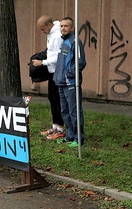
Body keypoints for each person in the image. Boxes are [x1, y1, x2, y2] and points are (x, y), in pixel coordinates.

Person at [53, 17, 87, 148]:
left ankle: (79, 139)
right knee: (64, 111)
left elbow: (81, 62)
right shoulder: (64, 42)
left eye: (66, 26)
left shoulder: (75, 41)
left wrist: (69, 74)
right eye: (61, 26)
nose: (63, 28)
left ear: (72, 28)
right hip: (61, 83)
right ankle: (70, 135)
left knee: (74, 111)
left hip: (71, 83)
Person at [32, 15, 65, 140]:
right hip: (52, 71)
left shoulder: (56, 36)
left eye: (42, 29)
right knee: (52, 97)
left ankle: (60, 128)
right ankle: (55, 126)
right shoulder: (51, 34)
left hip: (57, 71)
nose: (42, 32)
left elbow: (58, 56)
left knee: (57, 99)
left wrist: (43, 63)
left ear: (50, 25)